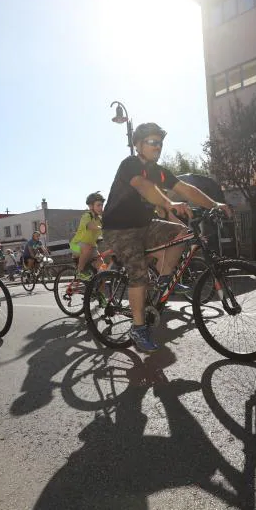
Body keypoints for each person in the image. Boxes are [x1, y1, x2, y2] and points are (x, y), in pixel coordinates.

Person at [102, 122, 232, 353]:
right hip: (119, 229)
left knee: (184, 232)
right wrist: (169, 203)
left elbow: (186, 189)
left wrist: (215, 204)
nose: (157, 146)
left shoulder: (158, 171)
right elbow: (142, 186)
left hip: (144, 225)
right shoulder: (130, 164)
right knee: (138, 274)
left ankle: (163, 280)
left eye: (160, 143)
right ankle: (138, 327)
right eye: (152, 142)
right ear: (139, 144)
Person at [70, 192, 106, 281]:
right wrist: (102, 227)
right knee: (88, 247)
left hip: (90, 248)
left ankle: (98, 292)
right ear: (90, 206)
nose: (101, 208)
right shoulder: (87, 216)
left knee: (102, 267)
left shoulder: (100, 219)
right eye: (98, 205)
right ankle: (79, 272)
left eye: (102, 205)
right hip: (74, 246)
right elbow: (91, 226)